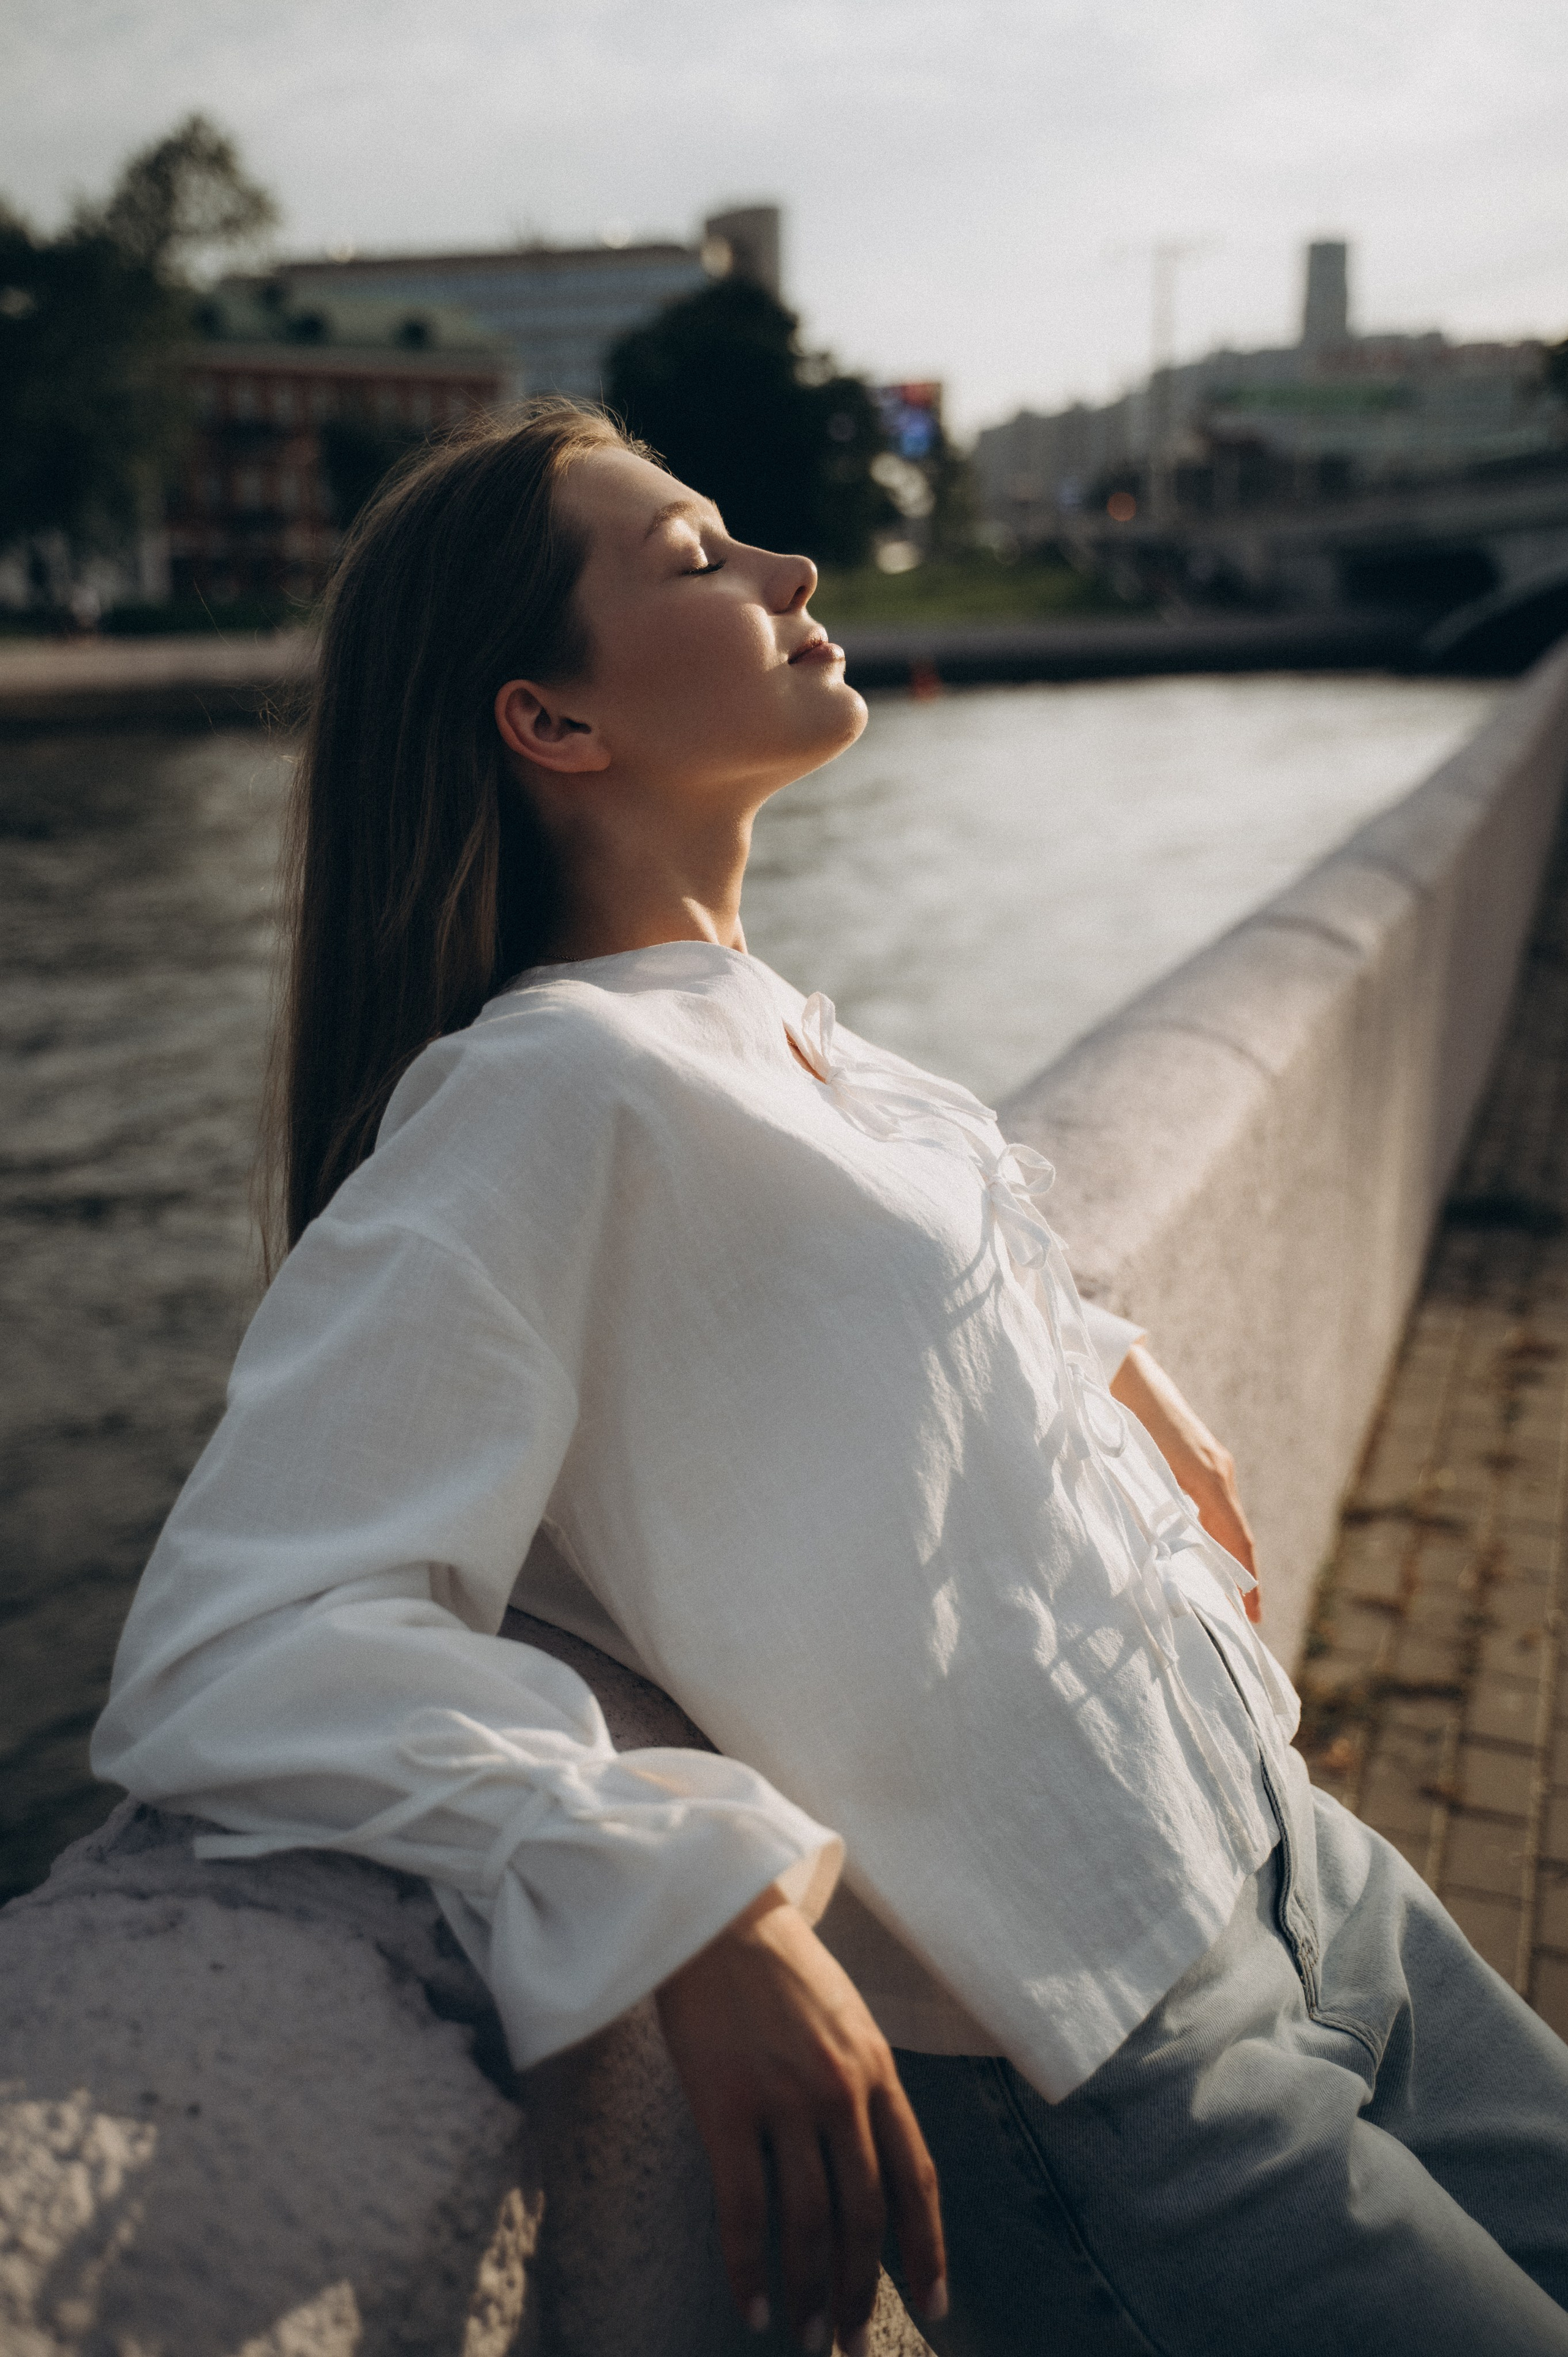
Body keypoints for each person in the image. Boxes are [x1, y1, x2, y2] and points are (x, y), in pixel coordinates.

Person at [94, 402, 1568, 2357]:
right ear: (553, 722)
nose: (793, 575)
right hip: (1112, 2078)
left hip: (1308, 1871)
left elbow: (846, 1328)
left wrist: (1097, 1365)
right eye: (702, 557)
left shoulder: (765, 1032)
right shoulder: (540, 1098)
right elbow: (241, 1636)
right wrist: (671, 1894)